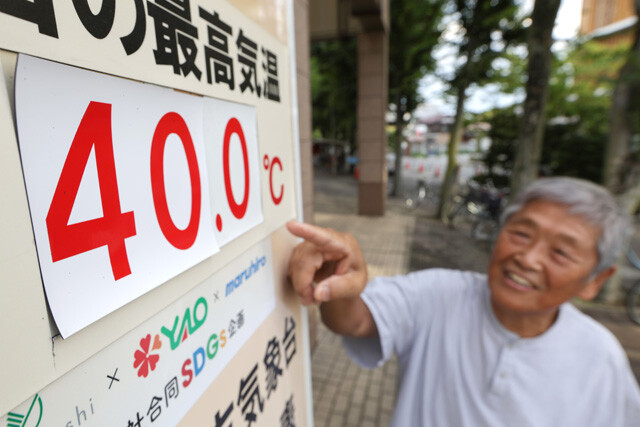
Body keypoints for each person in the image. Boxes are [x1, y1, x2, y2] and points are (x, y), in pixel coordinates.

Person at [287, 177, 640, 426]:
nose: (528, 258)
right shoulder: (439, 293)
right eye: (520, 233)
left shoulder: (601, 359)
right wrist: (341, 280)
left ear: (595, 281)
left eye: (560, 252)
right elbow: (354, 321)